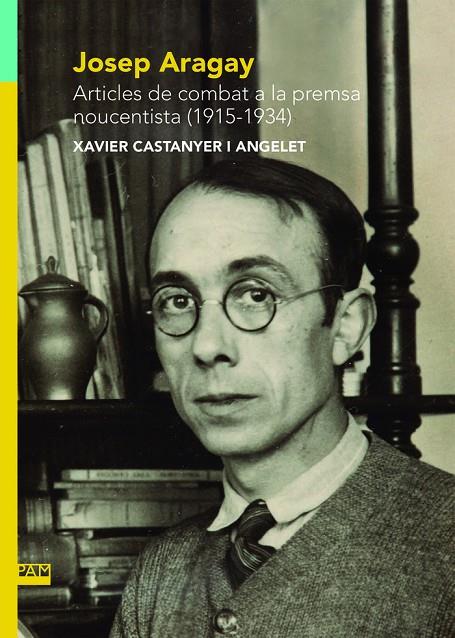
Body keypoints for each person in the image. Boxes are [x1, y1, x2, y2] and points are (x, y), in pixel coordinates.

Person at [110, 157, 454, 637]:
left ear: (346, 327)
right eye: (178, 301)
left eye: (256, 295)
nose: (206, 346)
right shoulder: (159, 574)